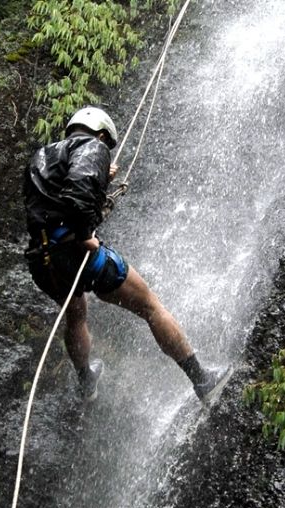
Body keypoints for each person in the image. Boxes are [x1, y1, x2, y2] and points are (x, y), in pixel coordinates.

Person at [23, 106, 231, 402]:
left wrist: (100, 181)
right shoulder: (93, 145)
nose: (105, 152)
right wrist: (85, 237)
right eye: (107, 145)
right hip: (75, 252)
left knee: (75, 313)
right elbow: (79, 192)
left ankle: (86, 380)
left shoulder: (42, 157)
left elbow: (55, 201)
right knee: (149, 306)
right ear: (101, 132)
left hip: (44, 261)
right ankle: (201, 379)